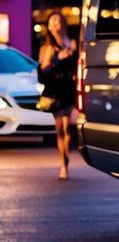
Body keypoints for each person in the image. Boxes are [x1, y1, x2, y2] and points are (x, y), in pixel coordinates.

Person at [38, 12, 77, 180]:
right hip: (56, 89)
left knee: (70, 126)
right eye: (52, 21)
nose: (55, 23)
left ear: (63, 23)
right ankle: (64, 163)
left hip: (70, 87)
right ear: (49, 26)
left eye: (57, 20)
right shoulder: (47, 47)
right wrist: (57, 59)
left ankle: (66, 159)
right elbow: (43, 72)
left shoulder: (73, 43)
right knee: (60, 127)